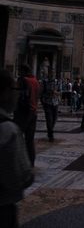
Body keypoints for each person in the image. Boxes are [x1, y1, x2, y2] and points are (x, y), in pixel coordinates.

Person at [0, 68, 34, 228]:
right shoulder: (8, 130)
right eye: (15, 89)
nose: (17, 94)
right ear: (6, 92)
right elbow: (21, 177)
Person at [13, 63, 40, 166]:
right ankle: (31, 161)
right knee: (29, 140)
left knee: (17, 138)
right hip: (33, 112)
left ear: (24, 71)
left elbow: (22, 96)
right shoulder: (36, 81)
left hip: (23, 112)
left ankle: (17, 162)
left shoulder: (23, 80)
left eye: (20, 71)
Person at [40, 74, 60, 141]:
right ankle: (50, 135)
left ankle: (50, 130)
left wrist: (56, 92)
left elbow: (60, 91)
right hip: (47, 102)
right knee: (49, 119)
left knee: (55, 118)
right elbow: (41, 93)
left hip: (55, 102)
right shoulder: (45, 82)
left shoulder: (57, 82)